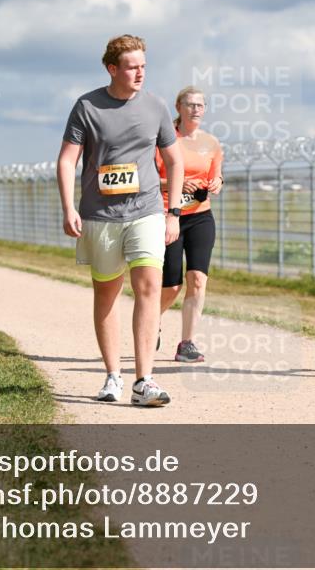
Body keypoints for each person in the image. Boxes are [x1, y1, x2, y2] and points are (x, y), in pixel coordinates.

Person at [57, 34, 184, 407]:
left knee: (147, 288)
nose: (140, 72)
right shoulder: (87, 106)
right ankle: (113, 375)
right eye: (132, 66)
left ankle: (144, 380)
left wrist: (172, 211)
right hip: (101, 215)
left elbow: (174, 161)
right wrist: (69, 208)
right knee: (107, 294)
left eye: (143, 65)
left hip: (146, 211)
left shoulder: (157, 107)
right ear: (112, 68)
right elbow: (67, 160)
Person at [154, 86, 223, 362]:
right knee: (171, 286)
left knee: (197, 280)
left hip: (201, 216)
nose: (196, 109)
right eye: (190, 104)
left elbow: (216, 176)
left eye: (200, 105)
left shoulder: (212, 143)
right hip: (167, 215)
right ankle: (151, 320)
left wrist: (218, 182)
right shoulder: (164, 140)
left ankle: (187, 343)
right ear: (178, 107)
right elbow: (146, 180)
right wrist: (177, 183)